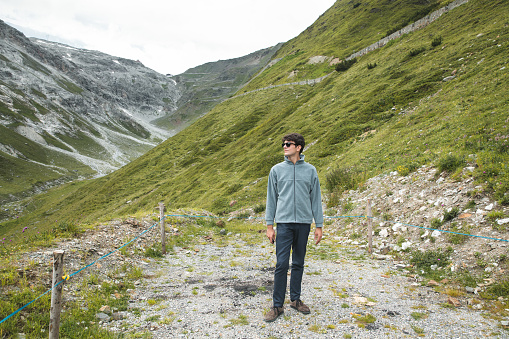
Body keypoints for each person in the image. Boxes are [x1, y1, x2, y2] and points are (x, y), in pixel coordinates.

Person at [264, 132, 324, 323]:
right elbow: (271, 199)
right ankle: (277, 305)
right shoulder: (276, 170)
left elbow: (316, 200)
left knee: (298, 262)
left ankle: (296, 300)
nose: (284, 146)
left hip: (304, 224)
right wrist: (269, 226)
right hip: (284, 223)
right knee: (281, 264)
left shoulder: (311, 171)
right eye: (283, 144)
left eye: (288, 144)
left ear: (299, 147)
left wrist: (319, 226)